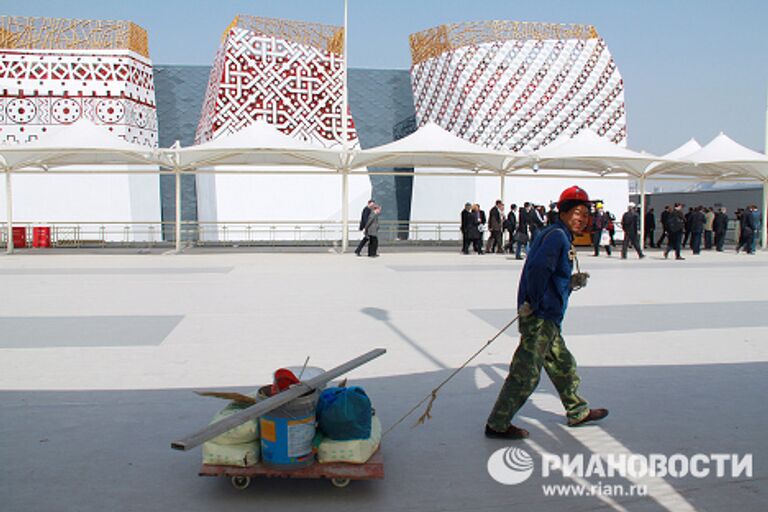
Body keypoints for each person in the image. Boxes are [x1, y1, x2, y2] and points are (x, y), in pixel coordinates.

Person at [485, 185, 608, 439]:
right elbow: (539, 269)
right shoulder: (557, 237)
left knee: (563, 364)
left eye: (585, 214)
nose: (581, 219)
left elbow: (548, 272)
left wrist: (570, 283)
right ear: (563, 212)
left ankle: (577, 410)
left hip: (548, 316)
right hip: (541, 317)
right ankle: (498, 423)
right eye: (576, 212)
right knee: (526, 372)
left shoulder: (555, 234)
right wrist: (535, 302)